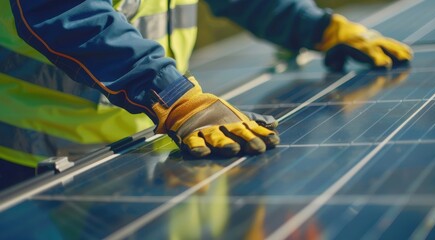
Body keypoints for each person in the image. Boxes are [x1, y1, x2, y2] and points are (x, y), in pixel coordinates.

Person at [0, 0, 412, 188]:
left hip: (151, 145)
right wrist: (174, 97)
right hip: (37, 165)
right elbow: (63, 11)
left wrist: (315, 27)